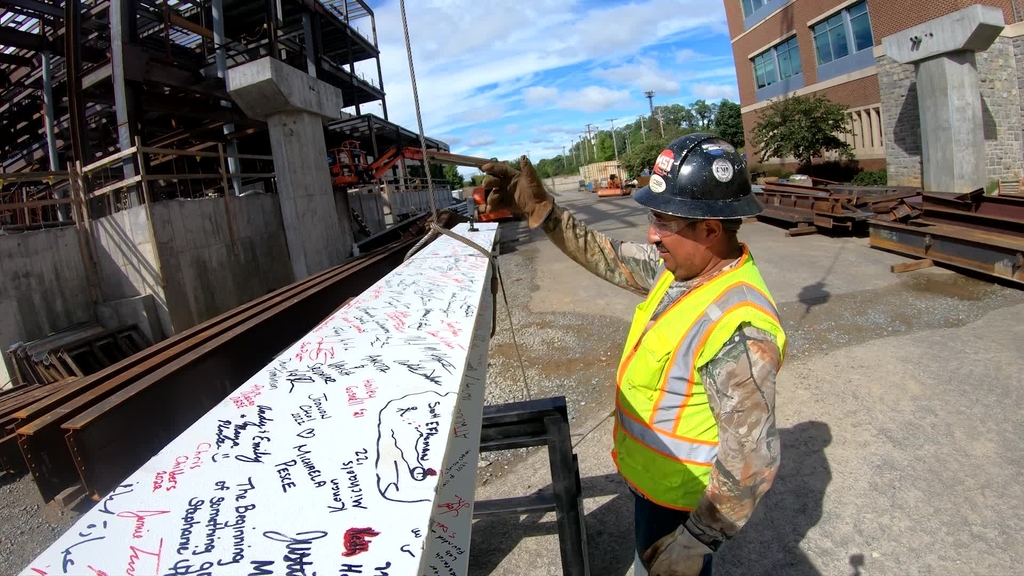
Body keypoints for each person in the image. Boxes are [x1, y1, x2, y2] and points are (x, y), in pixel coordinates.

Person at [480, 133, 787, 576]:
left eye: (664, 222)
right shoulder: (680, 269)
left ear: (709, 229)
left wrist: (697, 541)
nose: (652, 235)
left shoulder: (740, 327)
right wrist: (545, 213)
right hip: (654, 484)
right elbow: (604, 254)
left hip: (682, 505)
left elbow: (752, 458)